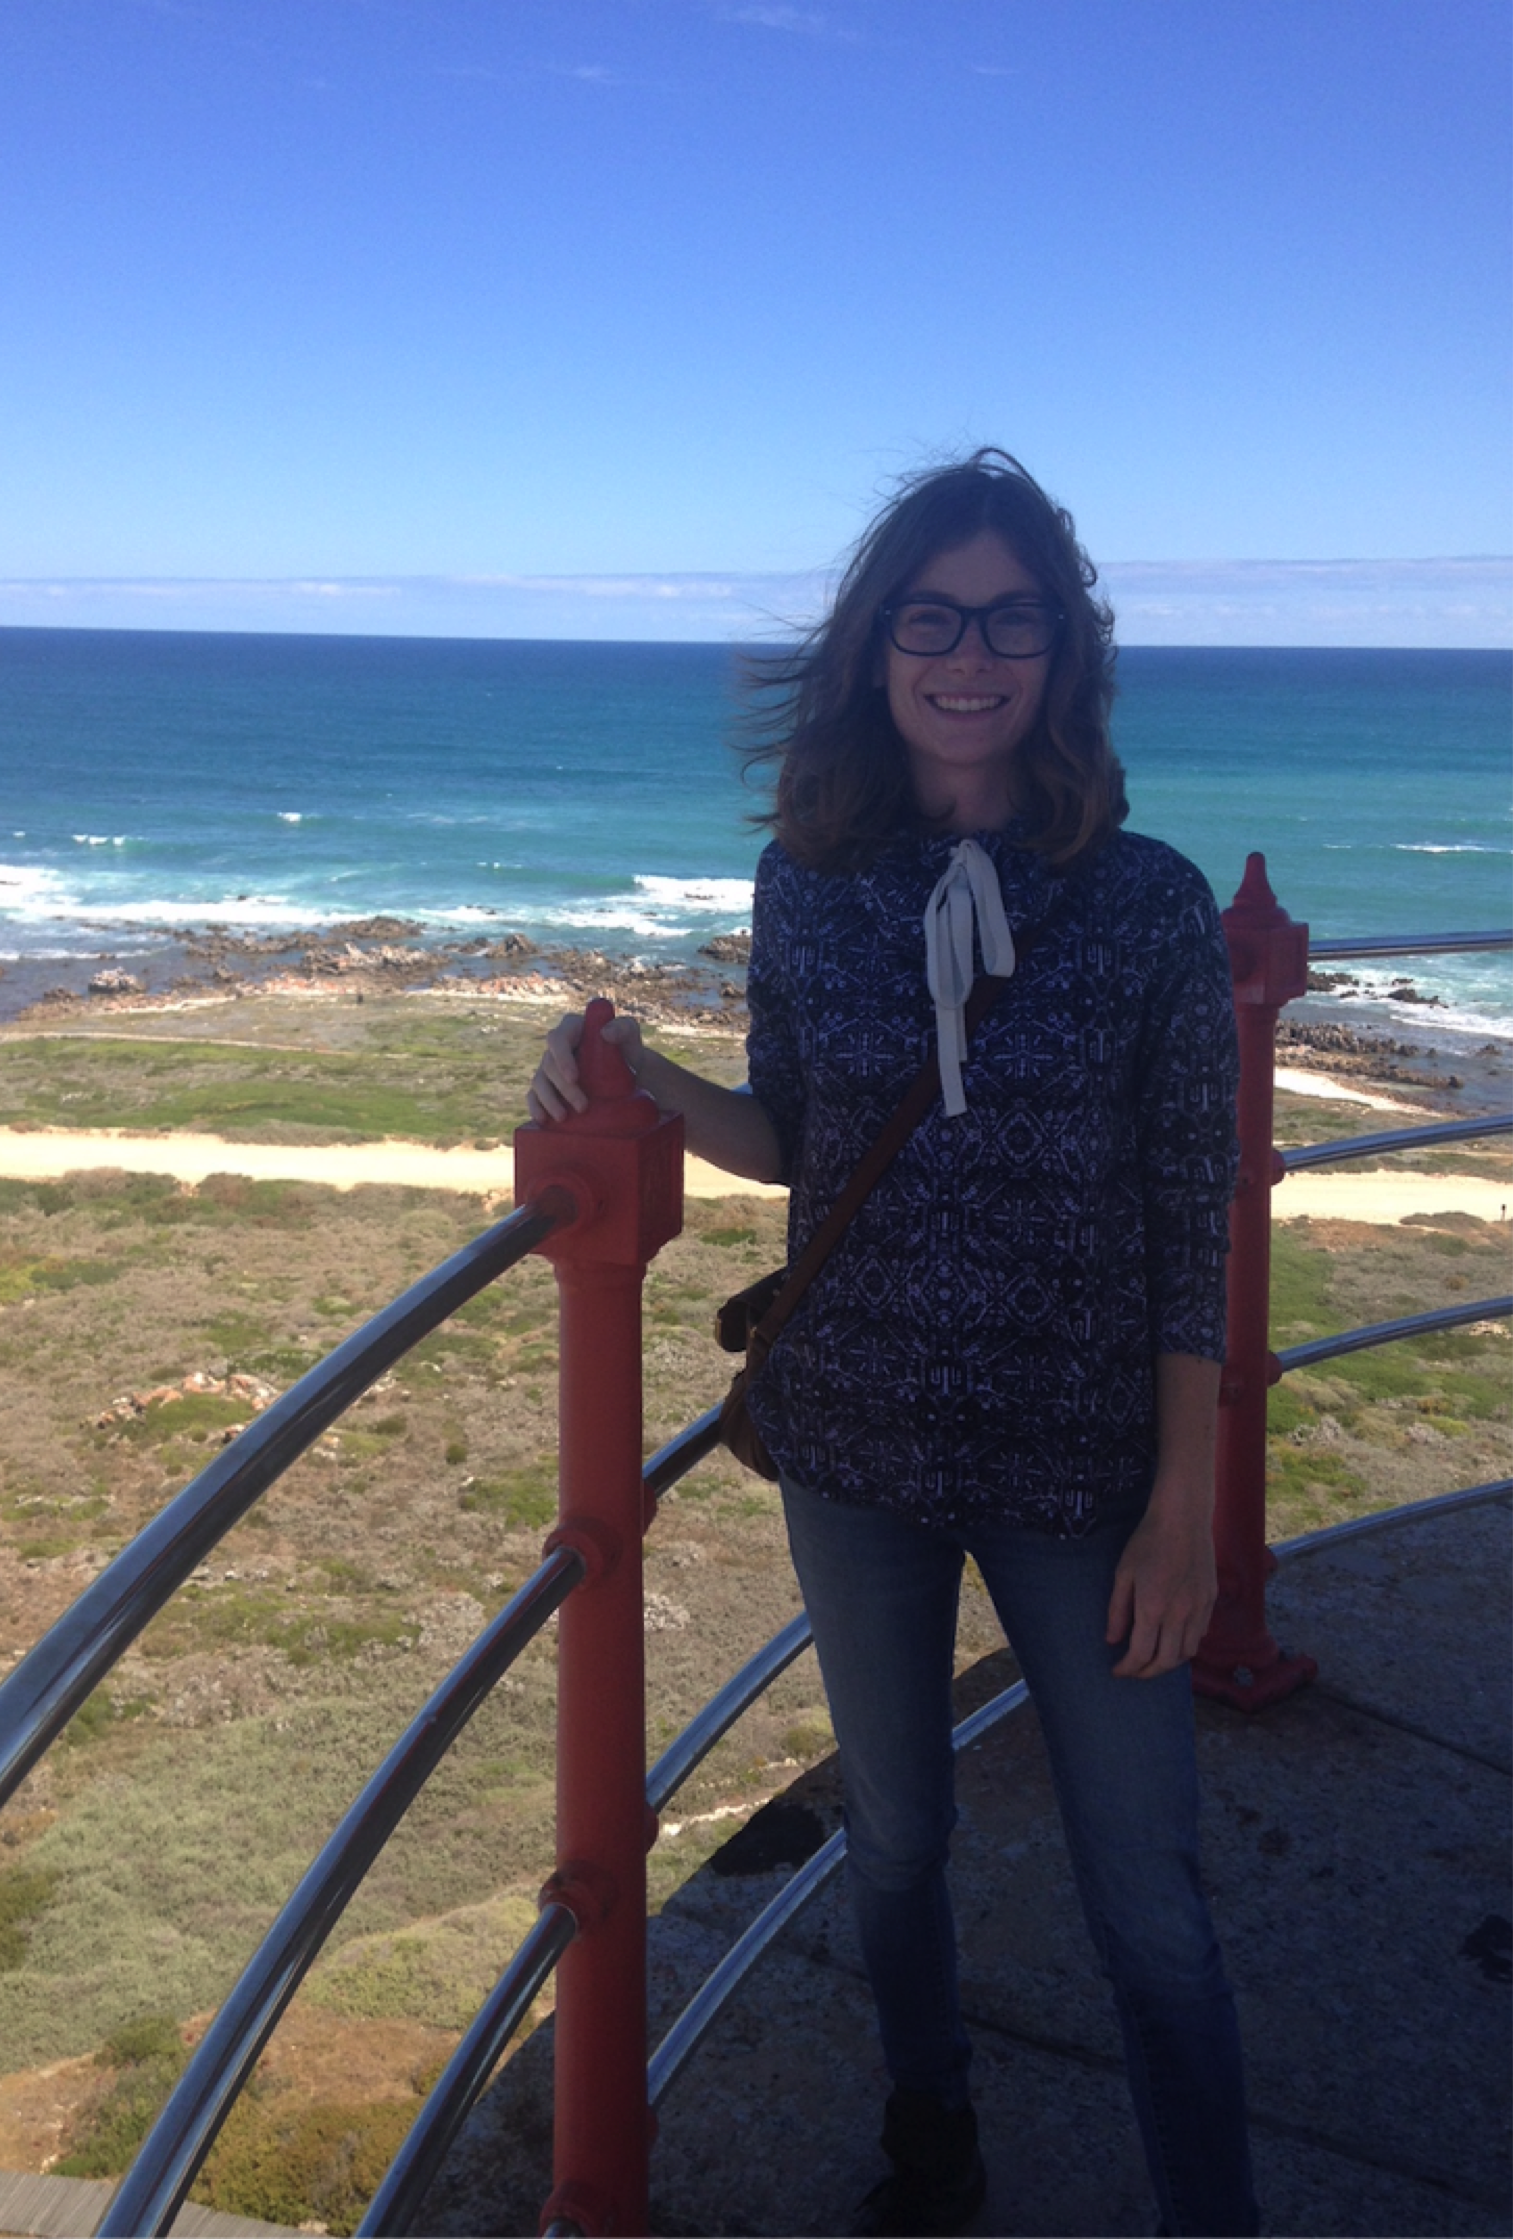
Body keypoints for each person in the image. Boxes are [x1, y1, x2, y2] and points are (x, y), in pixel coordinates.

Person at [527, 449, 1257, 2237]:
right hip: (853, 1450)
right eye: (931, 617)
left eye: (1011, 620)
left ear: (1060, 655)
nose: (968, 653)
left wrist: (1186, 1502)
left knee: (1147, 1895)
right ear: (875, 649)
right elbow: (801, 1135)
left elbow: (1191, 1221)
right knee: (899, 1838)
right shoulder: (809, 879)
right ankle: (931, 2135)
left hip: (1082, 1471)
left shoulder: (1150, 903)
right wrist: (633, 1079)